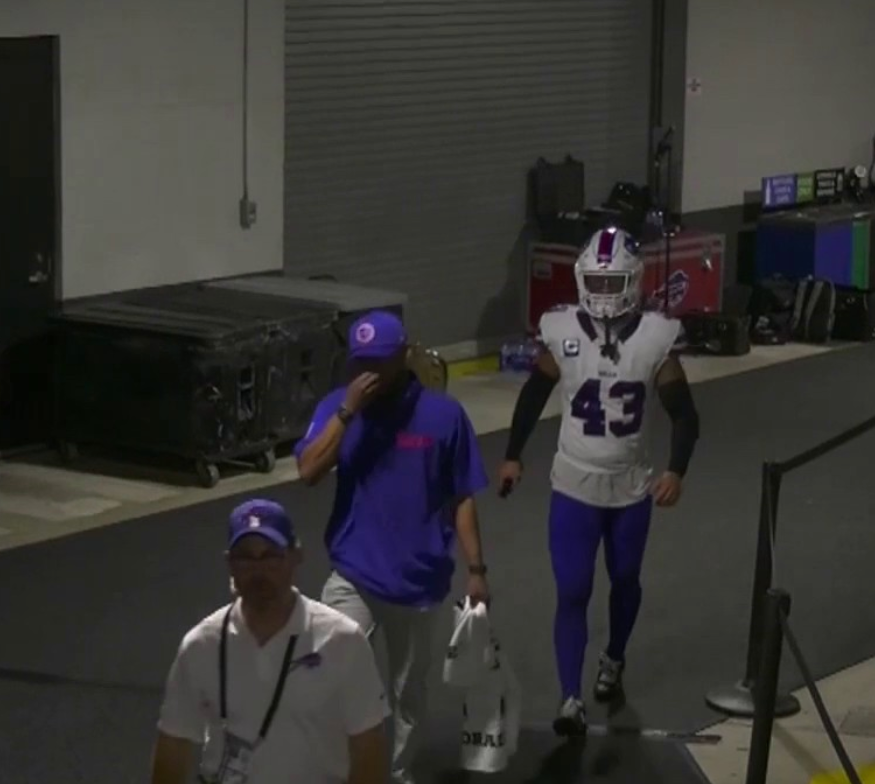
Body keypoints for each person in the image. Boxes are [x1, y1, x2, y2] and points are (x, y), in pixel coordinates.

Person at [496, 226, 701, 735]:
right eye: (597, 283)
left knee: (625, 579)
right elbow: (533, 394)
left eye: (614, 284)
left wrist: (677, 469)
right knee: (572, 589)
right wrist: (512, 455)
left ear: (634, 281)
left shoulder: (655, 337)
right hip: (574, 484)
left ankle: (613, 656)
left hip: (631, 487)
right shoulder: (562, 331)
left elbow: (684, 413)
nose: (605, 295)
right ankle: (569, 697)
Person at [295, 310, 491, 784]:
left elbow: (462, 493)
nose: (370, 373)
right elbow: (308, 472)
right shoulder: (338, 407)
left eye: (380, 362)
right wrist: (348, 412)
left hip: (417, 580)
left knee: (408, 692)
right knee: (327, 677)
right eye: (361, 363)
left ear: (404, 356)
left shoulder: (444, 416)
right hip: (353, 571)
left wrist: (477, 569)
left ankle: (398, 775)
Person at [150, 498, 390, 784]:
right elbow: (173, 747)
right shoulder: (201, 645)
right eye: (245, 557)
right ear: (229, 563)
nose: (258, 569)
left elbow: (368, 749)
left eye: (270, 555)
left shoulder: (343, 641)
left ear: (295, 555)